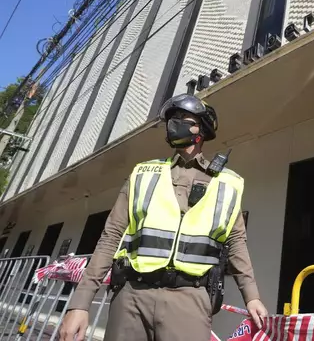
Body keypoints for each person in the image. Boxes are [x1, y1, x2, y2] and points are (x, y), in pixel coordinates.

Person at [60, 94, 268, 341]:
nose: (174, 124)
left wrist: (252, 296)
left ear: (201, 128)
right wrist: (81, 303)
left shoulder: (228, 183)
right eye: (171, 119)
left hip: (191, 299)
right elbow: (110, 237)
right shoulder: (143, 173)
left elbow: (236, 244)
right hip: (131, 295)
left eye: (183, 119)